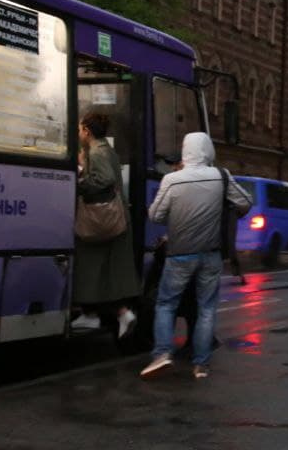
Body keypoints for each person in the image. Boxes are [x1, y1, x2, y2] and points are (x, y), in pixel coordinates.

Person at [141, 132, 250, 380]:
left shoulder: (172, 179)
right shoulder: (221, 176)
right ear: (209, 150)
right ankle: (200, 365)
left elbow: (155, 215)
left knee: (166, 304)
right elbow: (245, 202)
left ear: (185, 151)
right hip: (211, 254)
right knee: (206, 308)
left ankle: (162, 354)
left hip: (179, 253)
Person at [71, 113, 139, 339]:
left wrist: (79, 181)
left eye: (80, 129)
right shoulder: (106, 150)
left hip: (99, 219)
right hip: (113, 219)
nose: (79, 133)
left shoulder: (97, 151)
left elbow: (104, 179)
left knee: (87, 265)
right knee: (108, 274)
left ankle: (91, 315)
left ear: (87, 131)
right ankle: (121, 313)